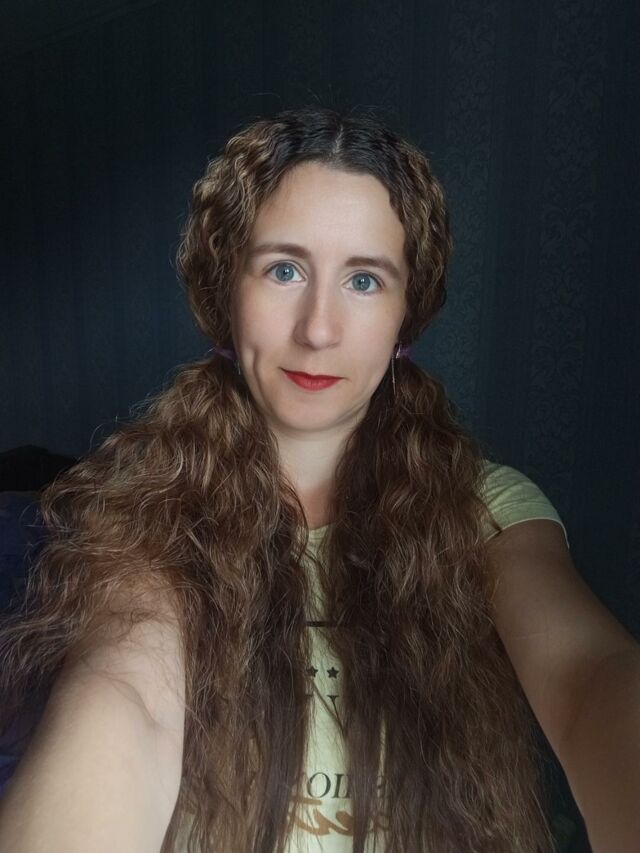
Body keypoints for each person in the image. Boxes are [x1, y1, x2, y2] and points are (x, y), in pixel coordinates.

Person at [0, 105, 637, 853]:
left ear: (406, 314)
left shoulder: (485, 508)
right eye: (284, 269)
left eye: (364, 280)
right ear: (226, 289)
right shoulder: (145, 501)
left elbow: (586, 675)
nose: (318, 329)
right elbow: (125, 692)